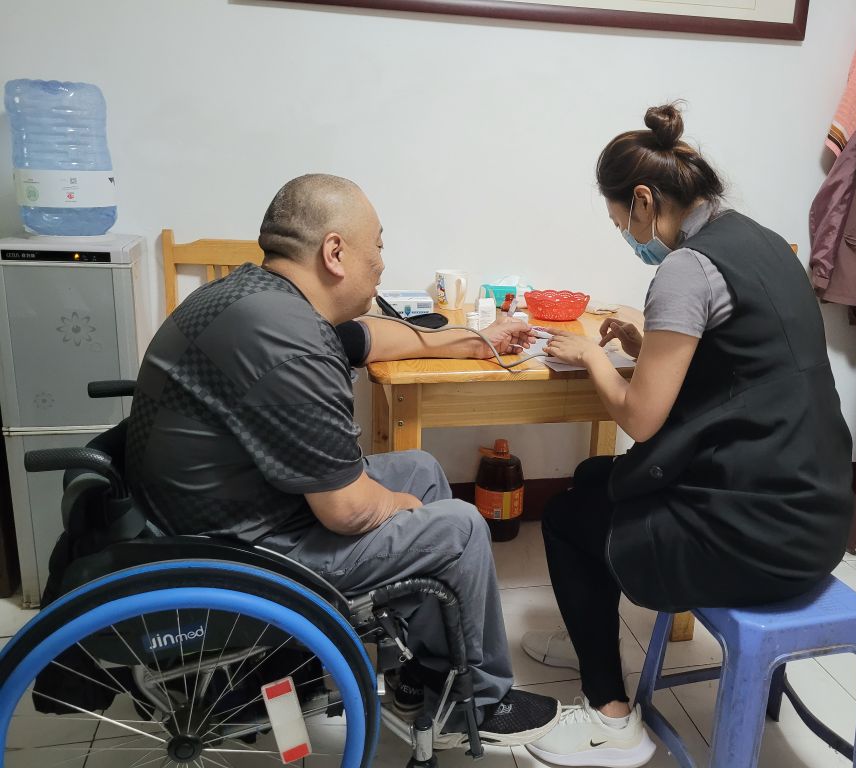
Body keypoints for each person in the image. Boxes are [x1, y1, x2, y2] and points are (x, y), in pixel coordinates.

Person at [125, 173, 560, 748]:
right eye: (376, 245)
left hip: (216, 508)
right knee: (458, 527)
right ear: (335, 252)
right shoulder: (292, 343)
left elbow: (370, 337)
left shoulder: (256, 297)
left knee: (420, 467)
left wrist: (477, 341)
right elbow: (349, 511)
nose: (381, 261)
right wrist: (406, 510)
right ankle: (474, 705)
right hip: (241, 550)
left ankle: (426, 673)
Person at [521, 104, 855, 768]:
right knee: (593, 479)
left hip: (755, 535)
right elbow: (743, 367)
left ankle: (611, 719)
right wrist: (644, 346)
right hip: (817, 514)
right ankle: (589, 627)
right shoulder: (763, 241)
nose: (629, 237)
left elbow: (641, 418)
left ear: (645, 201)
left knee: (564, 518)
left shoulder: (685, 269)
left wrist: (589, 355)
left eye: (622, 223)